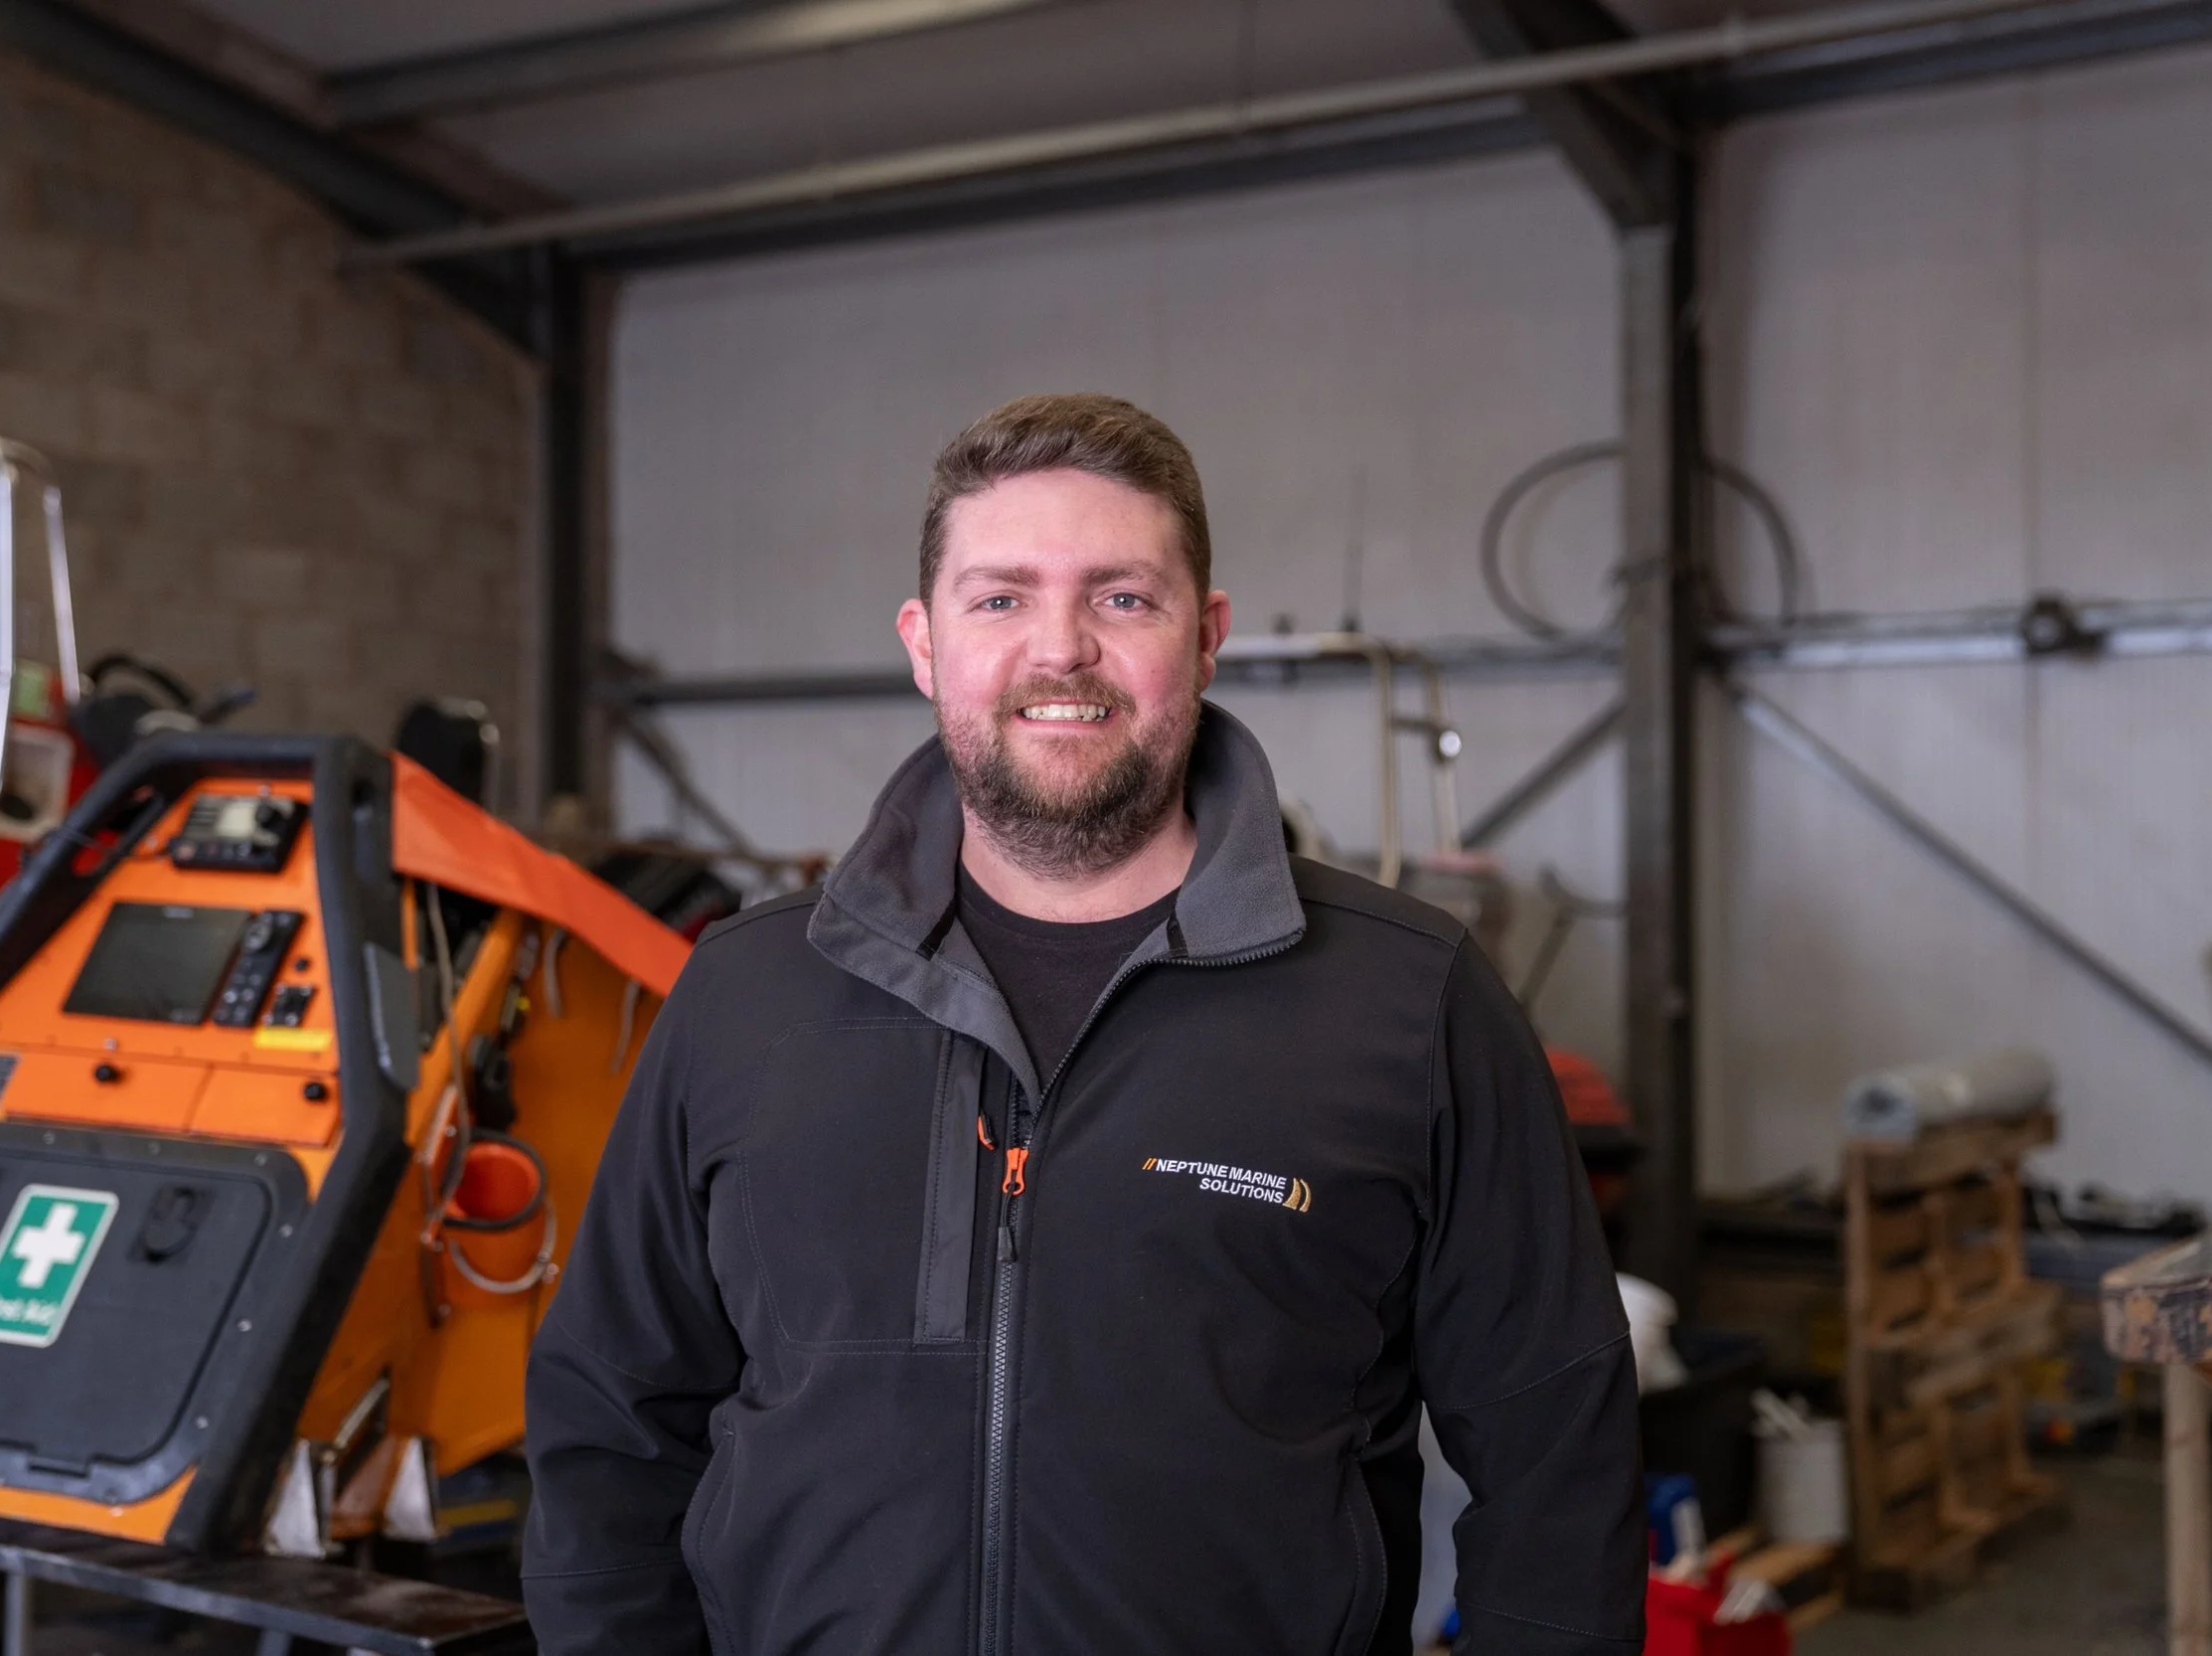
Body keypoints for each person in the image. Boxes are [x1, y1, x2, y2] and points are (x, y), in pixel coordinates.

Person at [523, 394, 1644, 1656]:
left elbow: (1559, 1455)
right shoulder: (743, 995)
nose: (1059, 649)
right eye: (999, 597)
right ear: (923, 642)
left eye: (1121, 596)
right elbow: (610, 1425)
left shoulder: (1408, 998)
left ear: (1204, 636)